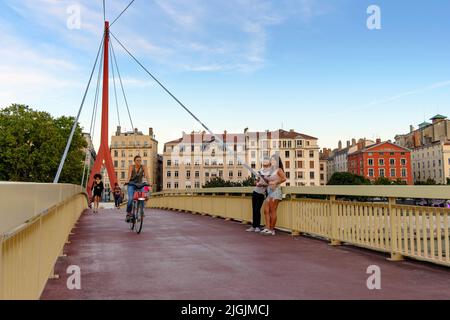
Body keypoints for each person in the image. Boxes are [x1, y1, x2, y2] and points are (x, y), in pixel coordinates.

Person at [261, 154, 287, 236]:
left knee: (272, 211)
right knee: (266, 210)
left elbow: (284, 178)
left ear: (277, 161)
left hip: (276, 192)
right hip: (270, 192)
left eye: (273, 160)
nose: (271, 161)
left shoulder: (279, 169)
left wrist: (276, 182)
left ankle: (272, 230)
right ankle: (268, 228)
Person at [246, 157, 272, 233]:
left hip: (261, 194)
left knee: (257, 210)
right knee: (254, 210)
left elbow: (268, 183)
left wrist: (262, 183)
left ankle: (257, 226)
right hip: (255, 192)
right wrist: (257, 183)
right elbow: (256, 181)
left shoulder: (270, 172)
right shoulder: (260, 171)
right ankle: (253, 226)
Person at [126, 155, 151, 221]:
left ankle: (141, 211)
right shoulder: (131, 167)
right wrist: (127, 182)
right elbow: (129, 176)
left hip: (140, 184)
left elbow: (147, 176)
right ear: (134, 161)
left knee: (142, 197)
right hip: (131, 184)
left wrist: (149, 184)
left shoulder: (143, 167)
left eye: (140, 160)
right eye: (137, 160)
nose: (139, 162)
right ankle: (128, 213)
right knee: (131, 198)